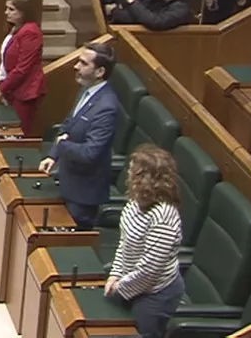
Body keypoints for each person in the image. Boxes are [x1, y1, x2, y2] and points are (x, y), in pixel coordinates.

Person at [105, 145, 185, 338]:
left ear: (146, 179)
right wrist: (115, 274)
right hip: (131, 282)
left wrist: (120, 287)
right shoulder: (136, 201)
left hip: (156, 294)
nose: (128, 173)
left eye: (133, 171)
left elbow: (150, 269)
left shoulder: (164, 217)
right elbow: (124, 242)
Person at [39, 42, 120, 229]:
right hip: (68, 180)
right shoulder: (86, 90)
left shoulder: (107, 107)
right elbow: (69, 124)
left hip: (83, 194)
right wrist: (53, 155)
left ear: (100, 72)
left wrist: (62, 145)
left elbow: (90, 153)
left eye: (83, 63)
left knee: (69, 240)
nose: (76, 66)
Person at [0, 0, 46, 135]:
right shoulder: (15, 28)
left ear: (24, 12)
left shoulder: (30, 32)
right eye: (7, 8)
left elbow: (22, 68)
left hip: (25, 92)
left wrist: (3, 87)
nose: (6, 12)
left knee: (19, 133)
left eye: (11, 9)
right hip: (14, 89)